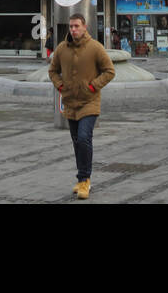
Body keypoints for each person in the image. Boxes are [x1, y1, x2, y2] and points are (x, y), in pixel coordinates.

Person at [47, 13, 115, 199]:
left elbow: (110, 71)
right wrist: (60, 85)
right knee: (77, 141)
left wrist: (93, 86)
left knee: (84, 137)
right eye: (71, 26)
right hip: (70, 103)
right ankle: (81, 178)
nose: (73, 29)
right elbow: (52, 70)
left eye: (77, 26)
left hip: (89, 101)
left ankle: (84, 179)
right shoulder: (62, 48)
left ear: (85, 27)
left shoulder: (95, 47)